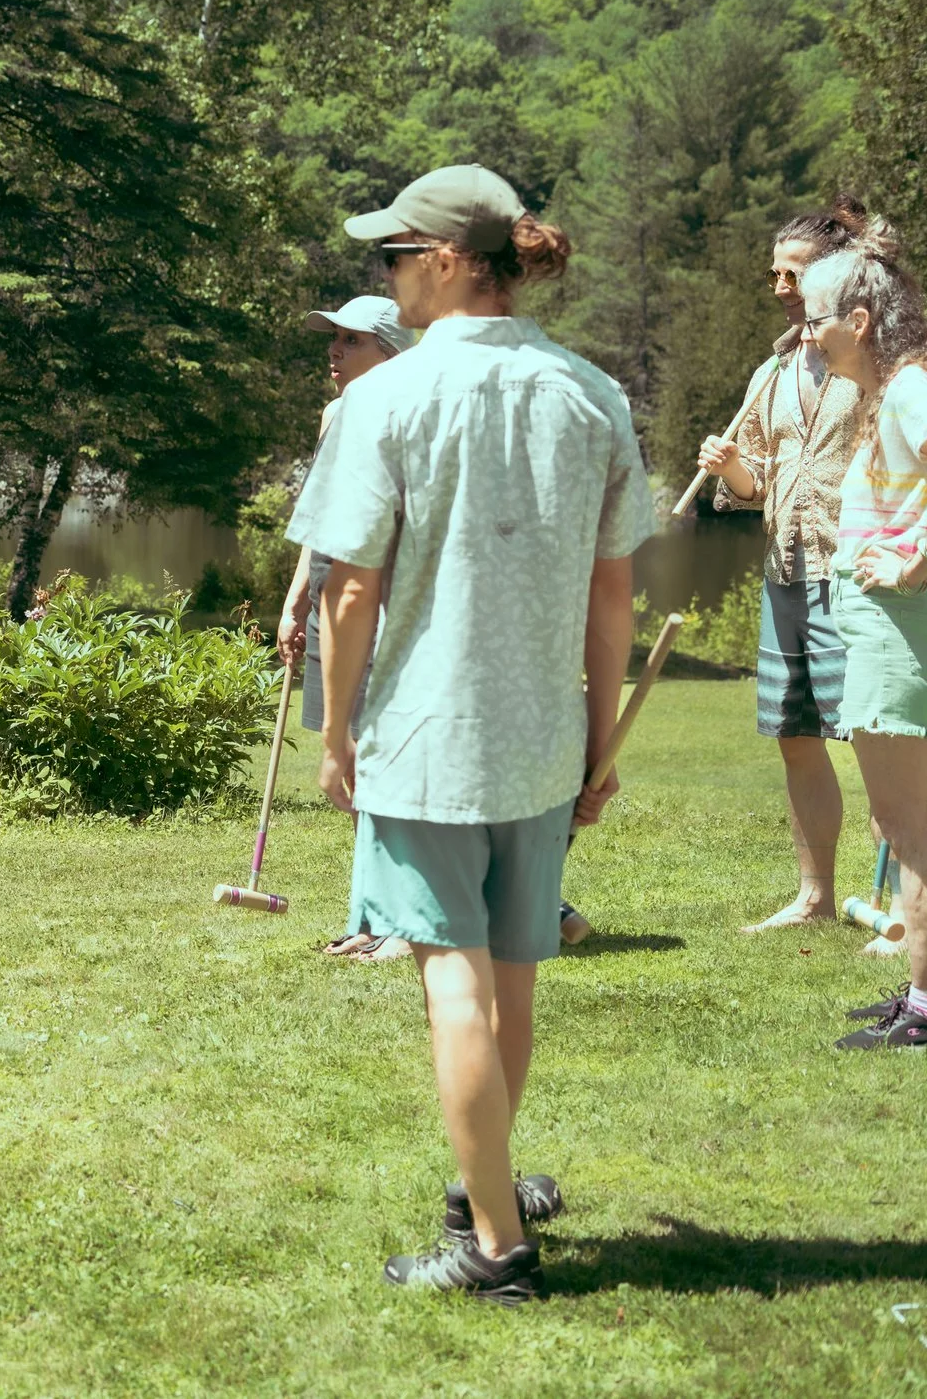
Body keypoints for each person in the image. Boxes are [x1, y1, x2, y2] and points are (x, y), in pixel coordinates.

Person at [291, 164, 649, 1300]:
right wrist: (600, 739)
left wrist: (336, 728)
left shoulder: (382, 400)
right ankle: (480, 1183)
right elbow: (612, 597)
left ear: (447, 260)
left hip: (429, 732)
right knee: (515, 972)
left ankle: (492, 1245)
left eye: (393, 256)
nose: (384, 277)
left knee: (452, 974)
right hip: (541, 734)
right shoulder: (591, 393)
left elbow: (351, 587)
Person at [795, 228, 927, 1050]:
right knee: (913, 817)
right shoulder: (895, 388)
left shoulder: (905, 391)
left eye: (813, 318)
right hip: (883, 628)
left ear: (858, 321)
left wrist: (922, 556)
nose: (806, 334)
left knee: (913, 824)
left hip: (897, 626)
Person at [696, 199, 893, 935]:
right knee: (796, 737)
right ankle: (814, 897)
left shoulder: (877, 362)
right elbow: (749, 492)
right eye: (774, 272)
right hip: (786, 571)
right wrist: (734, 466)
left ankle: (901, 908)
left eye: (794, 272)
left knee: (877, 744)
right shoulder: (772, 370)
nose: (779, 284)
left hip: (856, 576)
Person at [272, 295, 411, 961]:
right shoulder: (335, 414)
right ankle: (371, 914)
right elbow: (321, 522)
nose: (334, 351)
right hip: (332, 600)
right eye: (333, 339)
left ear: (390, 349)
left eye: (352, 340)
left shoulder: (404, 419)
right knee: (351, 774)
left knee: (377, 767)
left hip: (375, 604)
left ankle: (404, 915)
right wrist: (296, 600)